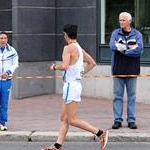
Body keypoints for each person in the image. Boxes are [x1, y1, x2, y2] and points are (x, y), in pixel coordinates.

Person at [41, 24, 109, 150]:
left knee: (71, 120)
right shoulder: (79, 48)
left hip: (70, 86)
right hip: (74, 85)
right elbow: (92, 63)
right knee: (64, 118)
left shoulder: (68, 48)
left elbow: (65, 66)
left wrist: (54, 67)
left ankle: (100, 133)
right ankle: (57, 145)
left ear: (65, 34)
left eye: (64, 34)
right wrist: (80, 74)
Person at [109, 12, 143, 129]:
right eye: (120, 20)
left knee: (132, 96)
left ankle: (131, 120)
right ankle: (117, 120)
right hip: (118, 69)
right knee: (117, 96)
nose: (121, 22)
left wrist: (124, 50)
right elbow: (112, 46)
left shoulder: (137, 34)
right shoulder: (115, 33)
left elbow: (139, 49)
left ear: (129, 21)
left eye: (123, 20)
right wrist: (130, 49)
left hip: (132, 69)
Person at [0, 31, 19, 131]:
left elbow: (15, 64)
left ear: (7, 39)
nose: (3, 40)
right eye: (1, 38)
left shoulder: (12, 51)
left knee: (4, 103)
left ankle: (2, 123)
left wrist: (8, 72)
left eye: (4, 38)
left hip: (6, 81)